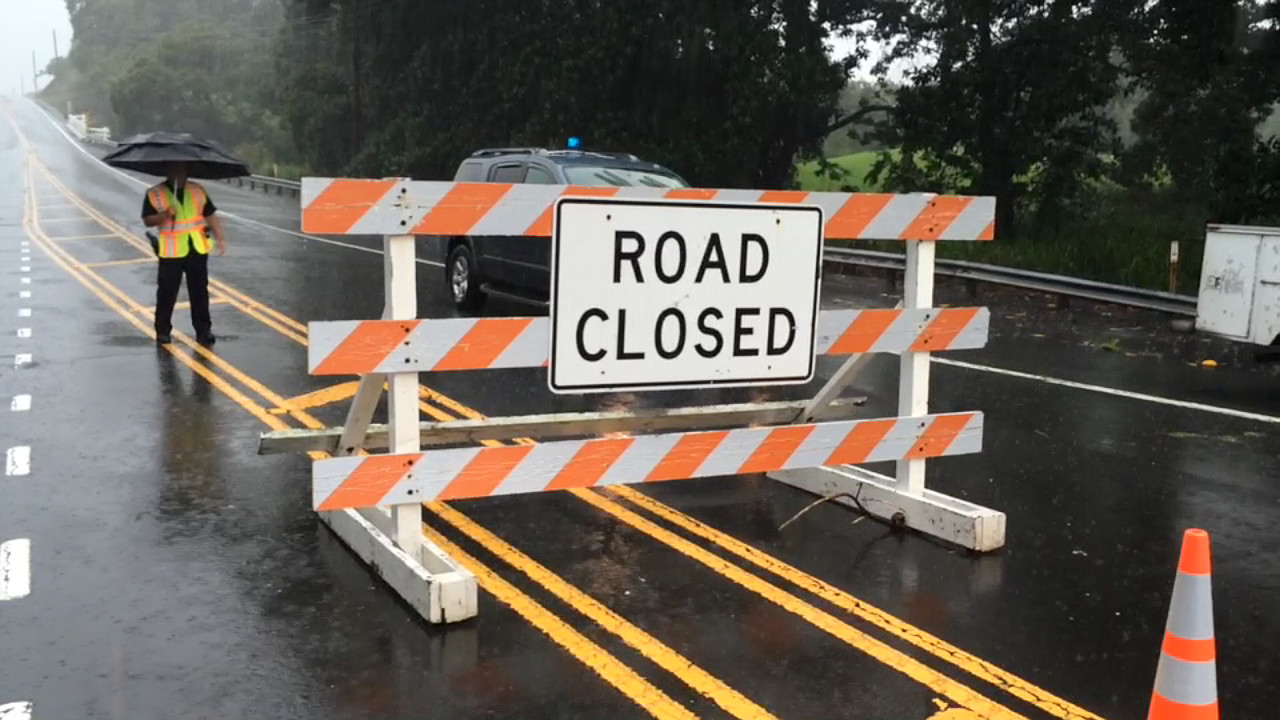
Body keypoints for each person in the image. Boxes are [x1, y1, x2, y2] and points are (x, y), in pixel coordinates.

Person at [141, 162, 227, 345]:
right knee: (167, 293)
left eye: (182, 170)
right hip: (171, 251)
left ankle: (203, 331)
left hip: (196, 248)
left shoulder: (197, 190)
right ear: (168, 171)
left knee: (199, 292)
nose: (179, 174)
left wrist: (220, 237)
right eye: (175, 170)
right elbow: (148, 220)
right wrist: (164, 215)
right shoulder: (155, 194)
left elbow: (210, 215)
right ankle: (163, 331)